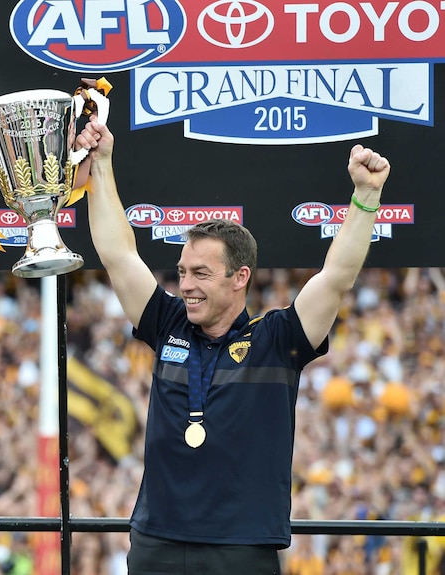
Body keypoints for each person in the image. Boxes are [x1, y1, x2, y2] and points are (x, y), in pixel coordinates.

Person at [75, 117, 390, 575]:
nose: (186, 286)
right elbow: (118, 255)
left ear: (239, 277)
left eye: (201, 274)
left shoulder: (279, 339)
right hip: (156, 540)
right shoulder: (168, 323)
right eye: (182, 272)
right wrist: (102, 163)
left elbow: (337, 277)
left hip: (242, 547)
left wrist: (366, 197)